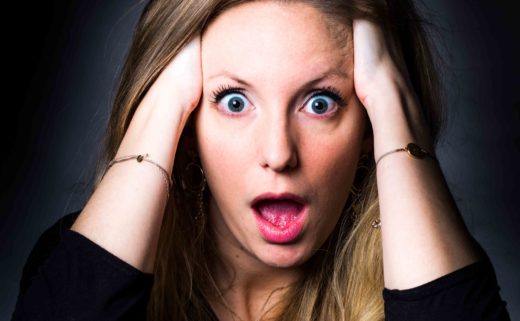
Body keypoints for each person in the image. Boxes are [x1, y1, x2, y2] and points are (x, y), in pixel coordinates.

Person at [12, 0, 511, 320]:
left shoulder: (426, 274)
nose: (278, 154)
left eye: (320, 103)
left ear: (369, 128)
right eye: (233, 101)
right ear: (185, 126)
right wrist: (163, 100)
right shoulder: (81, 260)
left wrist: (392, 100)